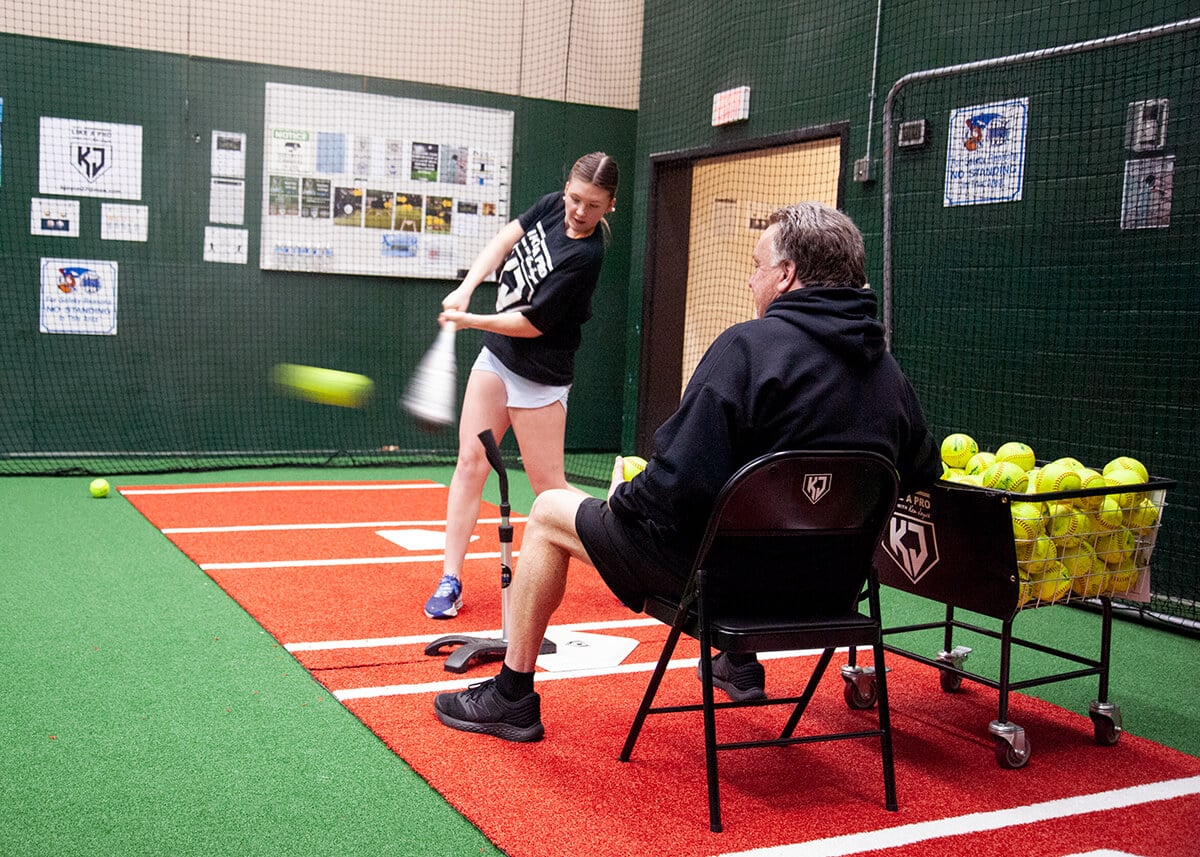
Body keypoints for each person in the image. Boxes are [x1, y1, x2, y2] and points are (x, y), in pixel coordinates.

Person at [433, 201, 942, 741]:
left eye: (756, 266)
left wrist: (621, 503)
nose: (751, 281)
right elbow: (920, 472)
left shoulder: (746, 350)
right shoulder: (888, 372)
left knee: (548, 510)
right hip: (830, 595)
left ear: (787, 275)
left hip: (725, 589)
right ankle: (737, 665)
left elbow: (676, 486)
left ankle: (511, 696)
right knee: (747, 511)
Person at [423, 152, 620, 619]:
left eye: (593, 205)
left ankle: (622, 546)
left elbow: (531, 324)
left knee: (547, 488)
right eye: (575, 198)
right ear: (566, 188)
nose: (579, 211)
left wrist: (470, 320)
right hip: (497, 358)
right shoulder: (553, 205)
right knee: (471, 462)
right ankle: (450, 579)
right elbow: (505, 238)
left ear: (610, 205)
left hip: (541, 376)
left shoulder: (586, 256)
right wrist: (467, 287)